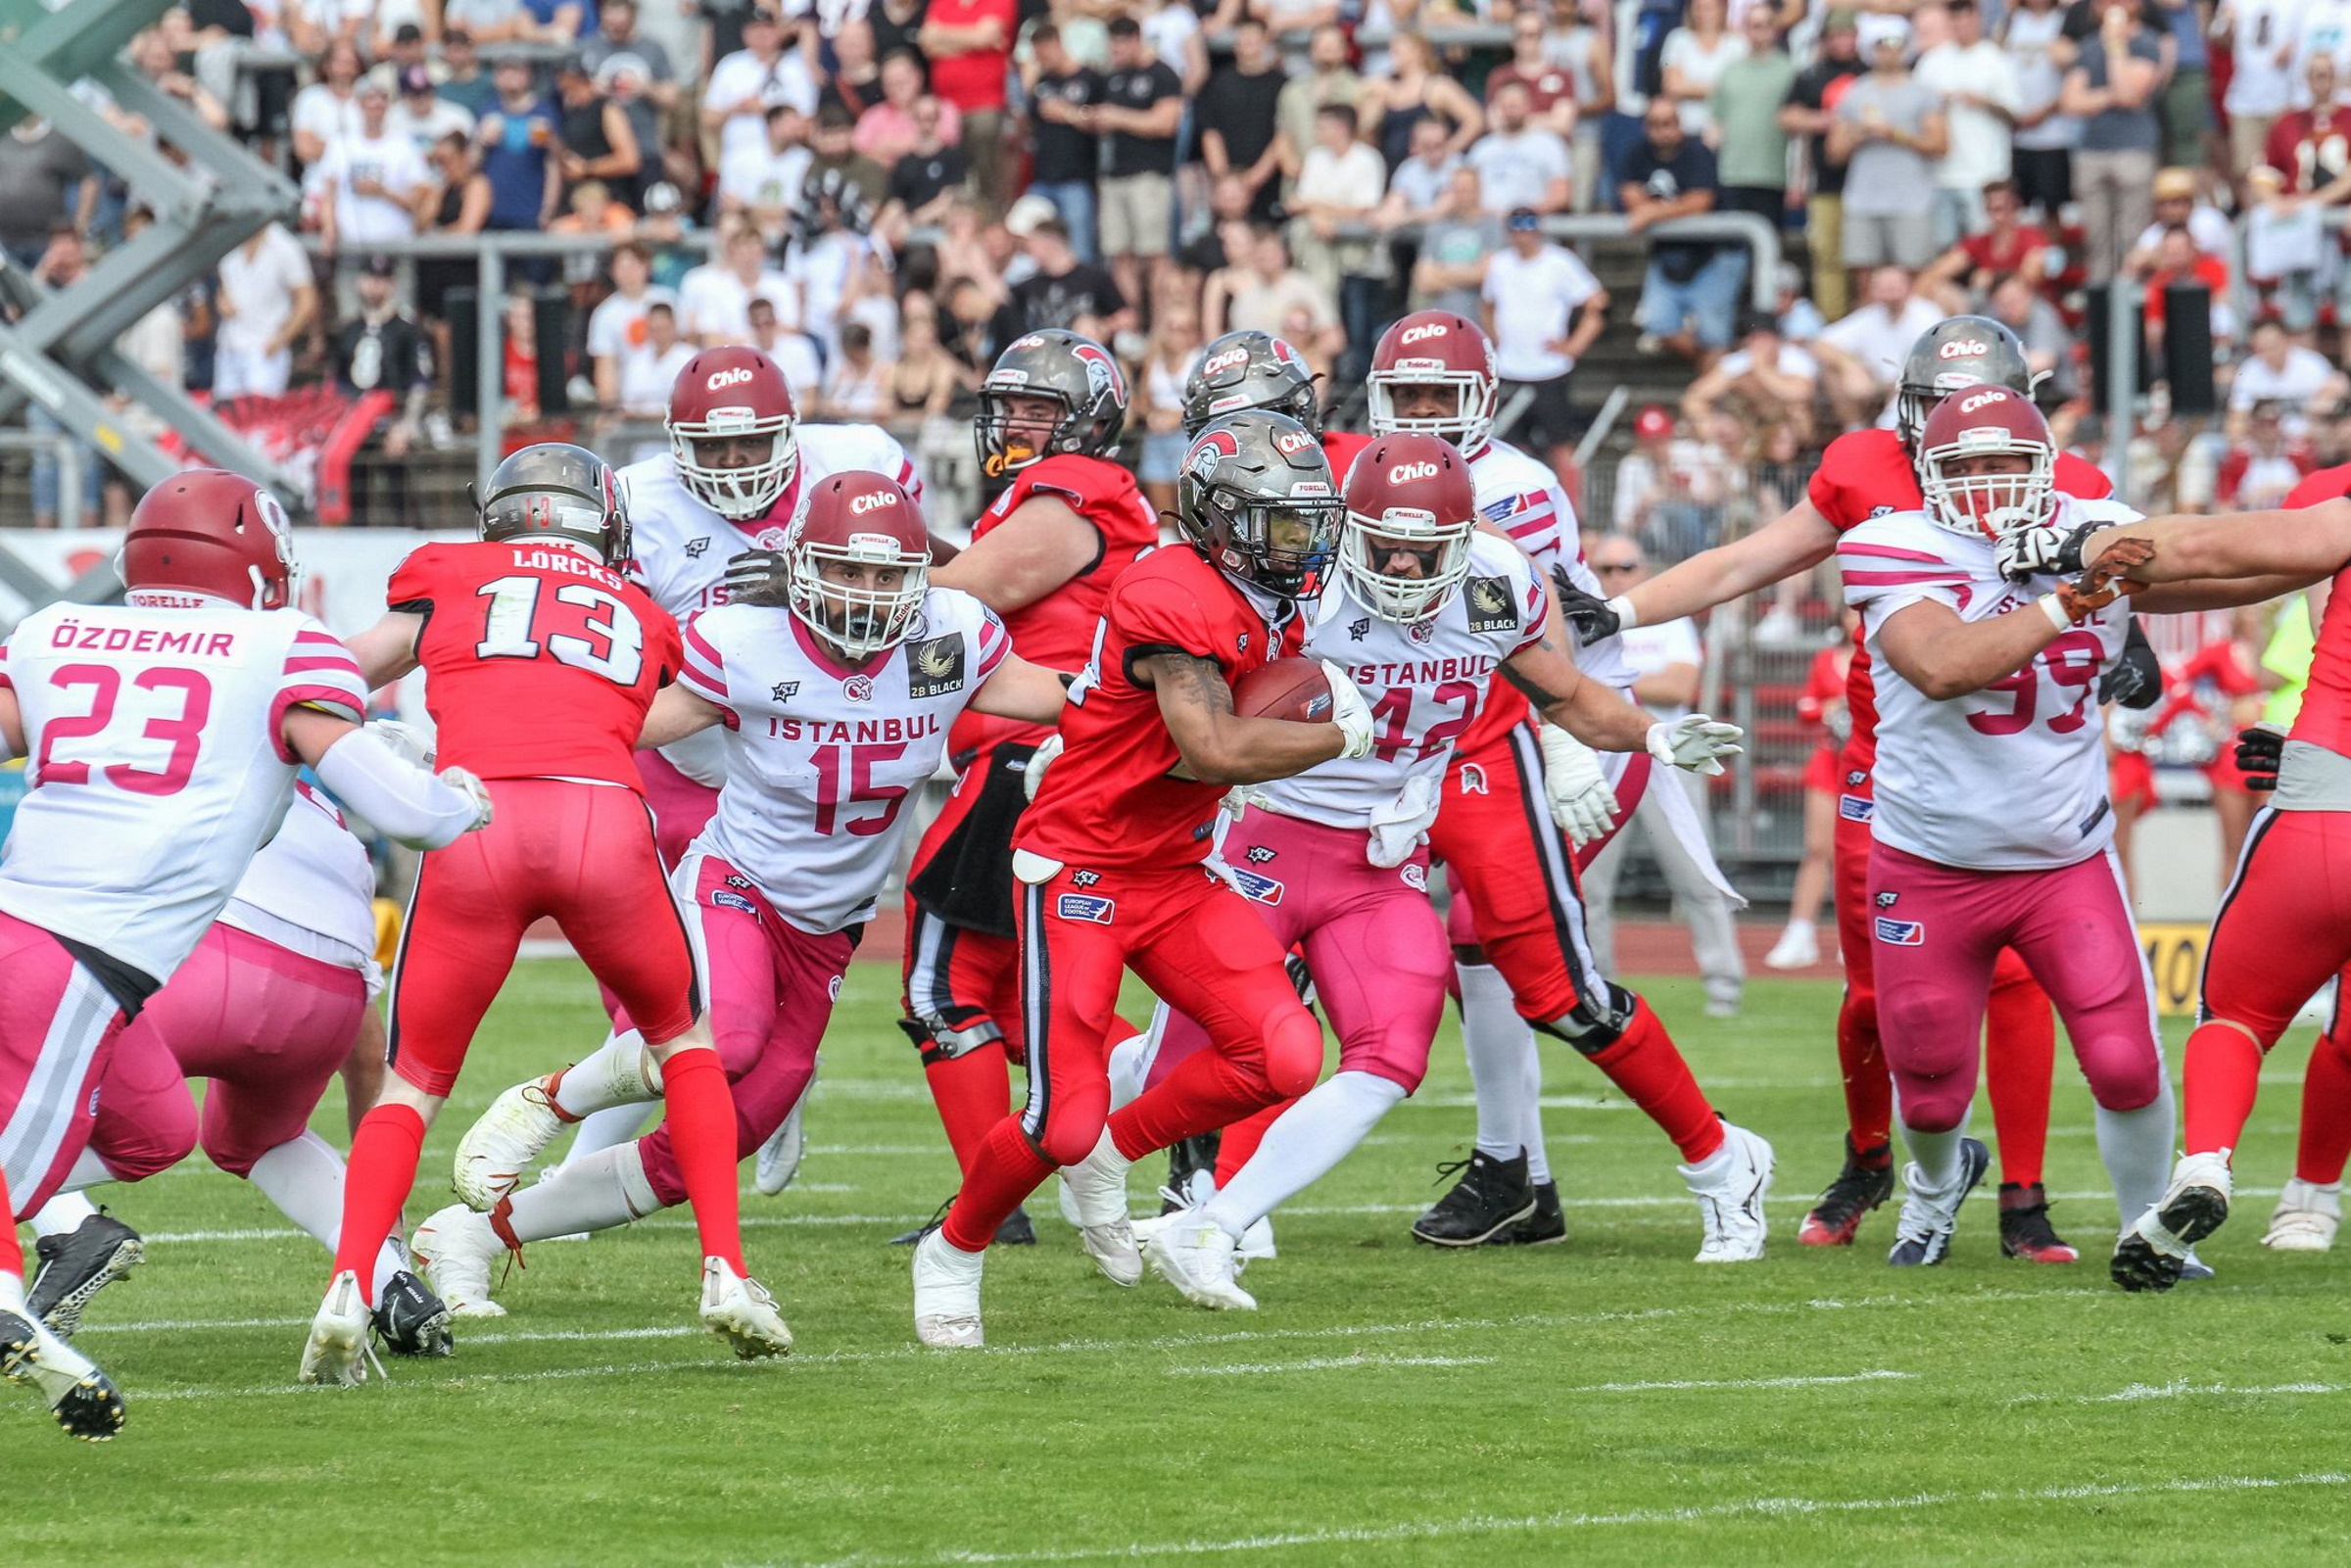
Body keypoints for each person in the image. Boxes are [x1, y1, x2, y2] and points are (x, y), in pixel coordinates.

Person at [415, 470, 1072, 1313]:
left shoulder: (953, 635)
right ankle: (550, 1096)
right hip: (739, 884)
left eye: (885, 575)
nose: (867, 595)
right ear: (800, 566)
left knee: (731, 1127)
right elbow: (616, 724)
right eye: (846, 570)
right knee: (726, 1039)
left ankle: (474, 1230)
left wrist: (1143, 710)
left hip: (830, 925)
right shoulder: (743, 637)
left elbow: (1068, 695)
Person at [1552, 316, 2129, 1260]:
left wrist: (2132, 645)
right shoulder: (1866, 467)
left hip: (2021, 768)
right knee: (1875, 994)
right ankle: (1869, 1157)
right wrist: (1620, 609)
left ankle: (2024, 1194)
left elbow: (2146, 570)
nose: (1958, 425)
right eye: (1936, 407)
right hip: (1893, 768)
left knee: (2020, 983)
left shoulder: (2073, 486)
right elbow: (1746, 561)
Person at [1139, 438, 1748, 1309]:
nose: (1398, 562)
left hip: (1381, 857)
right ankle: (1084, 1160)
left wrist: (1647, 734)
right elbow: (1193, 695)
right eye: (1382, 541)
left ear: (1465, 536)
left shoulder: (1497, 580)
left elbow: (1566, 692)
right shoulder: (1300, 574)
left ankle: (1216, 1224)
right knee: (1196, 1059)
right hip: (1262, 835)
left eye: (1421, 549)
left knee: (1391, 1052)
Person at [0, 469, 482, 1437]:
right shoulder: (284, 645)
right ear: (256, 561)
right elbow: (399, 811)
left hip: (59, 943)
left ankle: (23, 1293)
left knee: (127, 1140)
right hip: (92, 952)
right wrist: (462, 797)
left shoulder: (54, 631)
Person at [311, 445, 793, 1387]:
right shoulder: (645, 612)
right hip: (601, 821)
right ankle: (727, 1271)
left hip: (476, 819)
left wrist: (384, 741)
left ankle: (346, 1285)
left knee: (411, 1087)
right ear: (604, 521)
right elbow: (671, 714)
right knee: (686, 1043)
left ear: (498, 512)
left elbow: (341, 672)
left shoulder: (446, 571)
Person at [906, 410, 1375, 1349]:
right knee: (1060, 1117)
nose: (1303, 543)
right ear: (1219, 521)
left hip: (1175, 869)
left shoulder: (1265, 590)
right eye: (1281, 524)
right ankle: (955, 1248)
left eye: (1309, 521)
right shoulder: (1172, 587)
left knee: (1283, 1055)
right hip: (1080, 864)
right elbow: (1211, 745)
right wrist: (1338, 734)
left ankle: (1117, 1154)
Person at [1364, 310, 1772, 1260]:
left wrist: (1564, 740)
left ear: (1486, 402)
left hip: (1569, 726)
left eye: (1441, 396)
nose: (1423, 415)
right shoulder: (1368, 480)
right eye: (1407, 396)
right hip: (1447, 739)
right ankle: (1515, 1172)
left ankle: (1541, 1162)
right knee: (1450, 945)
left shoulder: (1514, 487)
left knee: (1502, 944)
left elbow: (1532, 644)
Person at [1838, 386, 2176, 1267]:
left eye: (2005, 465)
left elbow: (2227, 563)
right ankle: (1932, 1190)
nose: (1986, 485)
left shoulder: (2098, 524)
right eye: (1965, 467)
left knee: (2125, 1062)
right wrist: (2072, 596)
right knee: (1933, 1090)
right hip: (1929, 861)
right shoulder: (1891, 542)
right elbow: (1945, 665)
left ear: (2046, 469)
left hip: (2064, 857)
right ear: (1928, 475)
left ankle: (2155, 1227)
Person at [1991, 479, 2351, 1286]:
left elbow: (2202, 550)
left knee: (2240, 1012)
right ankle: (2310, 1198)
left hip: (2331, 804)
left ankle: (2206, 1166)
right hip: (2324, 776)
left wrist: (2071, 547)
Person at [23, 787, 447, 1352]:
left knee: (31, 1094)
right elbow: (369, 1057)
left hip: (200, 961)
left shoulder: (173, 761)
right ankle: (392, 1282)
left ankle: (70, 1227)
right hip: (326, 1004)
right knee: (261, 1139)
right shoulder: (331, 819)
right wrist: (384, 1222)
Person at [893, 330, 1158, 1231]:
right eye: (1007, 408)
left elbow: (964, 594)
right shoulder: (1063, 498)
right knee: (1017, 1001)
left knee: (942, 988)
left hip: (1027, 758)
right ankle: (1168, 1088)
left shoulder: (1073, 489)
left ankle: (989, 1200)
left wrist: (833, 567)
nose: (1015, 426)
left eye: (1038, 412)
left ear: (1087, 424)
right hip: (1057, 756)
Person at [1577, 537, 1745, 1020]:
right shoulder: (1580, 619)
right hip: (1602, 757)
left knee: (1695, 875)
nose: (1614, 577)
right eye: (1604, 567)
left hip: (1666, 759)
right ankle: (1597, 989)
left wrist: (1605, 683)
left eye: (1624, 567)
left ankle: (1723, 985)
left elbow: (1679, 685)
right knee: (1589, 883)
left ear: (1641, 569)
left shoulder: (1667, 618)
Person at [1482, 210, 1608, 475]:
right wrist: (1495, 338)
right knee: (1511, 445)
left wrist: (1574, 345)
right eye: (1516, 229)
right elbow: (1488, 304)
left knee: (1561, 445)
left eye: (1528, 228)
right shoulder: (1499, 264)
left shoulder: (1559, 262)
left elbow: (1597, 304)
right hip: (1509, 367)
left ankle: (1575, 513)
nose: (1522, 236)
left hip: (1549, 368)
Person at [1766, 615, 1857, 971]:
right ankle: (1800, 932)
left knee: (1862, 853)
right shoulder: (1826, 658)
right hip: (1829, 764)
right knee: (1818, 849)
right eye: (1849, 610)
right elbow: (1806, 707)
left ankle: (1854, 936)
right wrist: (1830, 707)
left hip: (1871, 767)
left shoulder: (1884, 654)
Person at [1621, 98, 1741, 362]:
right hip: (1668, 254)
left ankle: (1716, 379)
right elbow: (1630, 196)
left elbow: (1701, 201)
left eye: (1669, 123)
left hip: (1715, 253)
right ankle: (1719, 374)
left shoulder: (1698, 152)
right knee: (1658, 323)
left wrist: (1653, 212)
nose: (1663, 130)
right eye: (1655, 124)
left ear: (1680, 124)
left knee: (1714, 335)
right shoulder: (1637, 153)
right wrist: (1672, 209)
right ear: (1645, 126)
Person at [1829, 17, 1947, 280]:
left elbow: (1940, 144)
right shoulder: (1855, 92)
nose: (1890, 51)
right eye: (1882, 44)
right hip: (1863, 200)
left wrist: (1895, 135)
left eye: (1896, 44)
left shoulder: (1923, 91)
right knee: (1865, 280)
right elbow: (1834, 152)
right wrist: (1858, 135)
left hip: (1911, 199)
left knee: (1914, 277)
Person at [2061, 0, 2164, 284]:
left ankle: (2132, 315)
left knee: (2133, 240)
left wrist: (2116, 48)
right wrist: (2110, 97)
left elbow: (2130, 93)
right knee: (2097, 242)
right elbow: (2070, 102)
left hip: (2134, 149)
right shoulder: (2089, 45)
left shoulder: (2147, 42)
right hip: (2092, 151)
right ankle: (2101, 315)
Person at [1092, 17, 1183, 319]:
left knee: (1155, 255)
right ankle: (1131, 326)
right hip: (1114, 176)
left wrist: (1118, 117)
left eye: (1119, 44)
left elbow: (1166, 122)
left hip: (1150, 176)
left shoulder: (1163, 74)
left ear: (1135, 40)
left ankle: (1159, 326)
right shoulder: (1113, 78)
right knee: (1120, 256)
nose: (1114, 51)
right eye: (1111, 45)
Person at [1911, 0, 2021, 250]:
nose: (1960, 26)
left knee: (1983, 247)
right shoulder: (1931, 62)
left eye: (1965, 19)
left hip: (1984, 172)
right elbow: (1915, 111)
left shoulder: (1996, 60)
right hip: (1940, 175)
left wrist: (1983, 101)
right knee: (1943, 248)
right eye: (1955, 20)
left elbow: (2014, 114)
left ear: (1977, 19)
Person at [1781, 11, 1866, 320]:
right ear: (1825, 39)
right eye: (1835, 36)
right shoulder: (1812, 75)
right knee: (1828, 257)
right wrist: (1827, 122)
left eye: (1847, 35)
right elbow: (1786, 116)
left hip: (1869, 184)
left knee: (1863, 261)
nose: (1842, 41)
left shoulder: (1869, 73)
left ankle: (1862, 324)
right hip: (1827, 181)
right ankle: (1833, 323)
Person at [1812, 266, 1948, 430]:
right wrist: (1850, 366)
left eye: (1894, 288)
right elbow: (1820, 344)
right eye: (1884, 289)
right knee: (1832, 371)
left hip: (1916, 383)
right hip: (1877, 382)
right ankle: (1855, 429)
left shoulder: (1926, 314)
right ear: (1873, 291)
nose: (1890, 295)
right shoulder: (1868, 316)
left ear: (1909, 287)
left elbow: (1933, 358)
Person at [918, 0, 1015, 214]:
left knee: (985, 162)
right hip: (943, 105)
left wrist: (943, 36)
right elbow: (926, 40)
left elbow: (986, 36)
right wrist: (973, 41)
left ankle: (991, 216)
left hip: (984, 102)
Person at [1023, 24, 1104, 262]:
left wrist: (1066, 113)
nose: (1042, 60)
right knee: (1030, 244)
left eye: (1044, 53)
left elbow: (1101, 120)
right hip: (1042, 177)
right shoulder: (1042, 82)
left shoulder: (1090, 78)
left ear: (1057, 44)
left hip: (1076, 178)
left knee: (1080, 248)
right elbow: (1028, 123)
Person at [1708, 5, 1797, 223]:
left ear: (1775, 30)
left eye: (1766, 25)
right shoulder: (1729, 71)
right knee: (1731, 250)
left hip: (1772, 175)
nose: (1760, 31)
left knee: (1767, 246)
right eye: (1755, 25)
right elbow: (1714, 121)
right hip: (1731, 174)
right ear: (1745, 30)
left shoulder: (1790, 71)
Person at [214, 221, 316, 402]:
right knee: (222, 419)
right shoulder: (228, 240)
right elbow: (224, 285)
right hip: (229, 345)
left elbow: (307, 301)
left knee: (259, 424)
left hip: (264, 350)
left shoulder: (284, 246)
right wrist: (222, 301)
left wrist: (281, 339)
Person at [1199, 17, 1287, 223]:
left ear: (1266, 41)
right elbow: (1210, 131)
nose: (1247, 44)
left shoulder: (1282, 85)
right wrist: (1224, 179)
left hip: (1268, 185)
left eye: (1253, 39)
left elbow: (1283, 136)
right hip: (1227, 188)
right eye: (1242, 39)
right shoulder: (1219, 83)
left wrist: (1253, 179)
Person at [1466, 79, 1572, 216]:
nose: (1510, 110)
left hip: (1531, 225)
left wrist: (1521, 215)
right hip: (1487, 225)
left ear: (1529, 105)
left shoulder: (1549, 144)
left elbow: (1562, 195)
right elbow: (1464, 192)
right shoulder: (1482, 148)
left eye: (1515, 105)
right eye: (1506, 105)